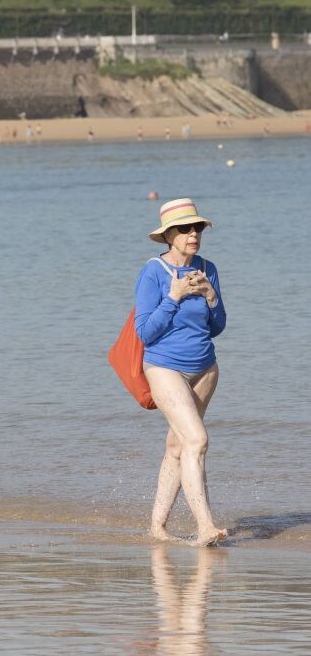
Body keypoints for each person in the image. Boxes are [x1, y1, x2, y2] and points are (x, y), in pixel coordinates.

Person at [135, 198, 227, 546]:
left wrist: (211, 296)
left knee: (177, 444)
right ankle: (205, 526)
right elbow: (145, 333)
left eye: (198, 228)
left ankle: (157, 526)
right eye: (186, 229)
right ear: (168, 235)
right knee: (197, 440)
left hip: (205, 369)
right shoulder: (152, 273)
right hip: (164, 368)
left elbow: (216, 327)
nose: (193, 234)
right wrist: (172, 297)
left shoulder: (207, 268)